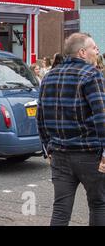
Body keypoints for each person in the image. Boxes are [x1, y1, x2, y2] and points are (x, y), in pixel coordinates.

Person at [37, 32, 105, 226]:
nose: (97, 51)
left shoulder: (49, 76)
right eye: (94, 48)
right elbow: (101, 116)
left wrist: (47, 148)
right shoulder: (91, 75)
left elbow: (40, 117)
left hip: (59, 153)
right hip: (89, 154)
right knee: (99, 204)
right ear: (82, 52)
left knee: (60, 210)